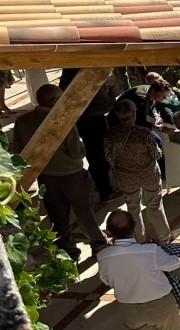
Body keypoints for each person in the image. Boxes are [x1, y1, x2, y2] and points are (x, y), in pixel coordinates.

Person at [11, 84, 109, 256]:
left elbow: (18, 150)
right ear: (54, 100)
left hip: (46, 177)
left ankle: (68, 252)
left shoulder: (22, 121)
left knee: (58, 218)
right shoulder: (63, 119)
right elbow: (76, 153)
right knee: (85, 214)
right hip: (73, 176)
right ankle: (98, 245)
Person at [104, 99, 169, 243]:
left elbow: (109, 158)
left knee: (133, 208)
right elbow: (157, 154)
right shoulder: (144, 133)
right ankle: (164, 238)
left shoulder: (111, 135)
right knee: (155, 205)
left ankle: (139, 240)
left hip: (126, 177)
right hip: (148, 174)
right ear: (134, 114)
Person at [59, 70, 117, 202]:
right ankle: (105, 191)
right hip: (93, 121)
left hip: (77, 120)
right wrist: (112, 95)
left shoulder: (68, 73)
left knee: (93, 154)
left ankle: (95, 182)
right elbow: (103, 105)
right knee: (98, 156)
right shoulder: (90, 75)